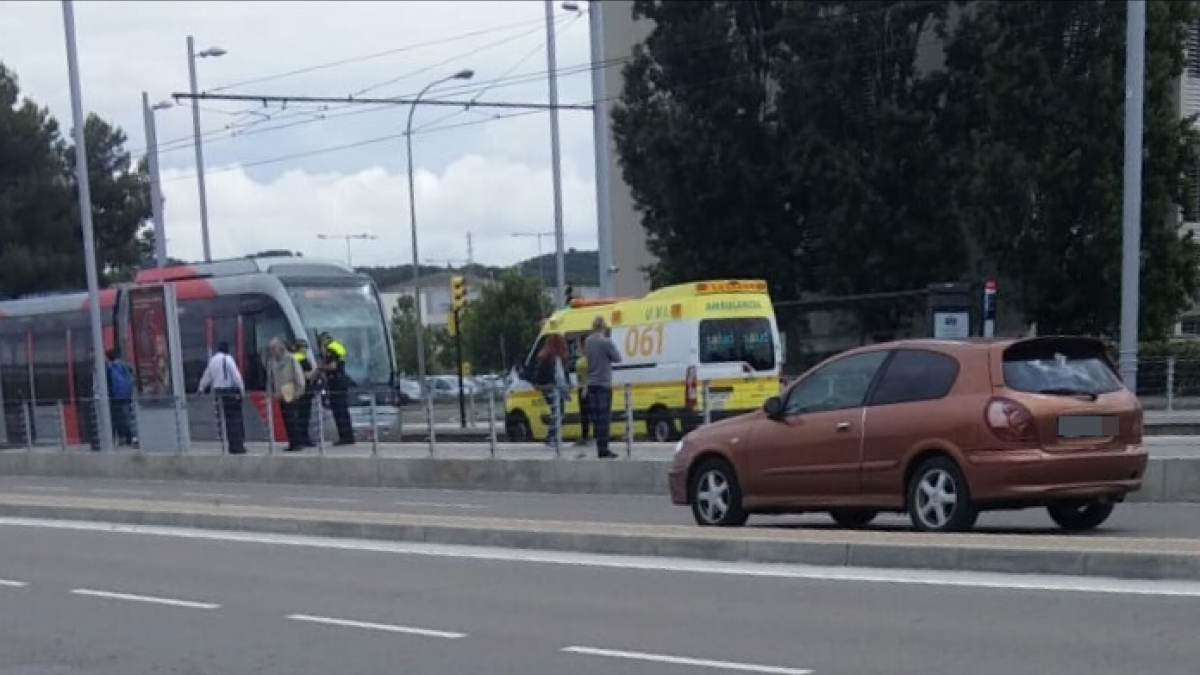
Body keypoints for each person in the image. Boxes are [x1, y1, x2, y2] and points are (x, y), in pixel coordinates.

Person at [198, 341, 247, 454]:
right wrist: (242, 389)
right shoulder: (228, 359)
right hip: (230, 391)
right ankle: (237, 446)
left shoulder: (213, 360)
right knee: (235, 419)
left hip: (218, 392)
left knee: (225, 420)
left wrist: (201, 388)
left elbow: (207, 376)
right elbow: (236, 376)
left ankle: (229, 444)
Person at [584, 316, 622, 459]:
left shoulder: (588, 342)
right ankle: (604, 448)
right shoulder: (606, 342)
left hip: (591, 384)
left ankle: (599, 447)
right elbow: (618, 358)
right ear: (603, 327)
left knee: (596, 418)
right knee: (604, 417)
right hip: (603, 383)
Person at [267, 337, 307, 452]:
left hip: (290, 390)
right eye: (271, 349)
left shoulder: (291, 359)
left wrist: (299, 392)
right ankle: (292, 442)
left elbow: (299, 376)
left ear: (281, 347)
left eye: (274, 348)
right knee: (286, 418)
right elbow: (270, 379)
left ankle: (297, 442)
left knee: (293, 418)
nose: (272, 351)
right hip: (280, 392)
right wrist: (270, 393)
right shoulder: (271, 361)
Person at [532, 333, 570, 447]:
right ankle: (552, 437)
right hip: (552, 388)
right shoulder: (553, 358)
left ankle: (553, 437)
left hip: (548, 388)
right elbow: (559, 376)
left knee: (557, 411)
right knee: (558, 411)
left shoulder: (546, 356)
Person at [318, 332, 355, 446]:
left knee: (339, 412)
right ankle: (348, 436)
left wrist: (321, 368)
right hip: (341, 382)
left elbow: (333, 366)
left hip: (336, 383)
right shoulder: (338, 346)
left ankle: (344, 437)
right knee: (344, 411)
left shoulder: (330, 349)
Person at [105, 349, 136, 447]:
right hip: (126, 395)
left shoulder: (110, 367)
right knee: (127, 416)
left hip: (115, 397)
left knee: (117, 419)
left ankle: (123, 438)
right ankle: (130, 438)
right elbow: (132, 375)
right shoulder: (126, 365)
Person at [291, 338, 316, 448]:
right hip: (305, 391)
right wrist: (316, 371)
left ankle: (298, 439)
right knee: (304, 417)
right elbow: (307, 375)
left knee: (296, 416)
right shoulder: (303, 359)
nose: (306, 350)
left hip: (294, 391)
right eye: (305, 348)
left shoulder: (291, 358)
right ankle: (304, 439)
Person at [573, 345, 591, 447]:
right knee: (584, 413)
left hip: (584, 388)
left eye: (579, 347)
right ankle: (584, 435)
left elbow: (588, 374)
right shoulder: (581, 359)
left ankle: (585, 435)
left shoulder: (585, 360)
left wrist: (585, 387)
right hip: (581, 387)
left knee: (585, 413)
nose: (577, 349)